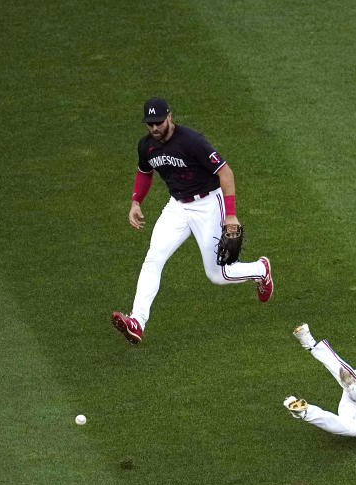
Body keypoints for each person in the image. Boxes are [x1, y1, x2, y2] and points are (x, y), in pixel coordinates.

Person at [111, 97, 273, 344]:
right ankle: (137, 321)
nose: (154, 128)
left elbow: (225, 172)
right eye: (149, 124)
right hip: (177, 207)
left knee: (217, 274)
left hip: (208, 204)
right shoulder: (146, 146)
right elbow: (144, 172)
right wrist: (136, 201)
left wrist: (230, 214)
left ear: (169, 117)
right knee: (153, 258)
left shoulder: (191, 141)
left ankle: (261, 270)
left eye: (158, 122)